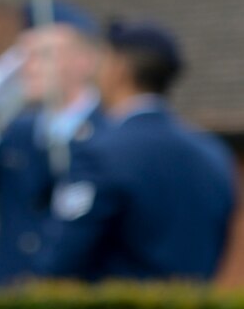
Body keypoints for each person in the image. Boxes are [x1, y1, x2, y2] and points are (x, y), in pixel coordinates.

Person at [34, 21, 237, 283]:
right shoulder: (213, 153)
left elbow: (61, 259)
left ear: (120, 69)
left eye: (104, 59)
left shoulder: (100, 153)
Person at [0, 0, 104, 285]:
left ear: (85, 61)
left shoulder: (112, 134)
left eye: (44, 55)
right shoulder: (17, 134)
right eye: (24, 55)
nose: (29, 67)